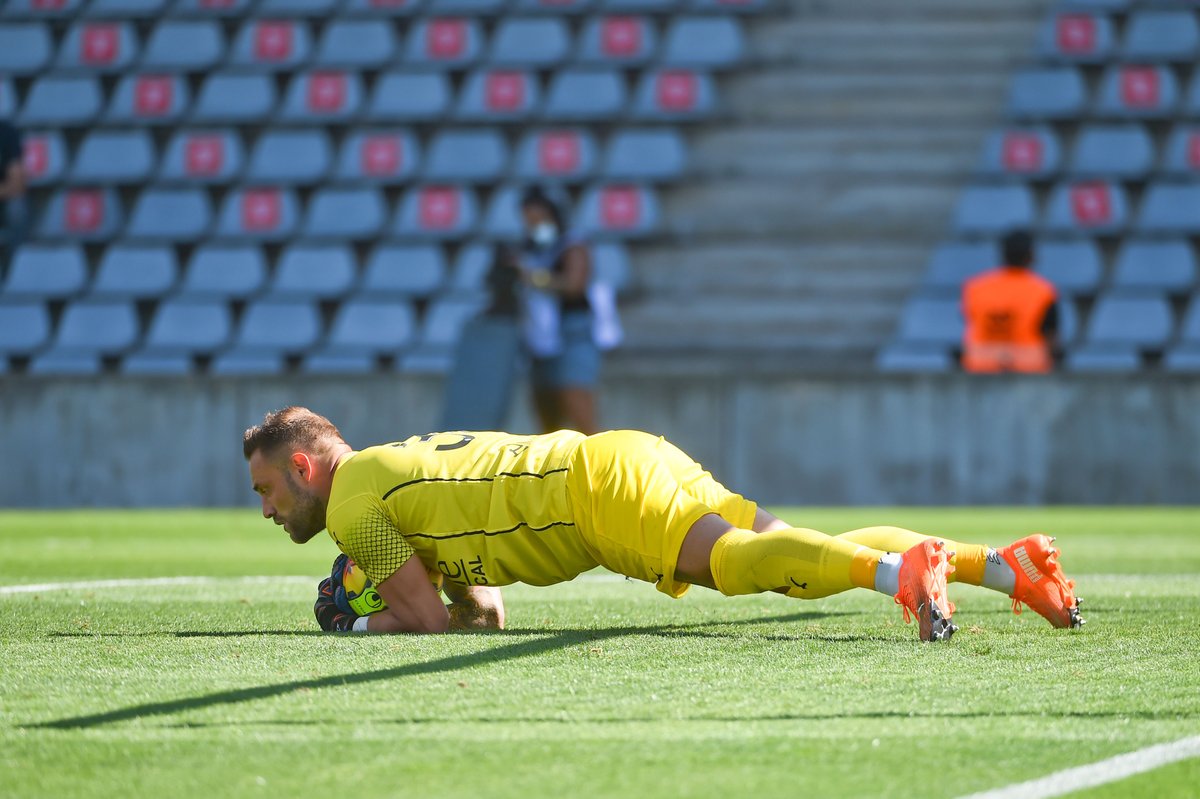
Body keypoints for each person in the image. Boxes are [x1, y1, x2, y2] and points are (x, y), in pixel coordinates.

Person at [242, 407, 1085, 642]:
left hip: (594, 494)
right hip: (619, 454)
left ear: (304, 466)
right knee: (786, 539)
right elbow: (480, 611)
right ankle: (1001, 566)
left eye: (268, 489)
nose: (268, 508)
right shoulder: (386, 471)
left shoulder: (350, 506)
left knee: (740, 565)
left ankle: (897, 577)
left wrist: (358, 622)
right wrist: (428, 592)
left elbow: (425, 622)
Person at [502, 186, 605, 435]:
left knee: (576, 401)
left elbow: (574, 284)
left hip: (572, 333)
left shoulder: (572, 245)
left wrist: (534, 278)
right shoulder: (529, 249)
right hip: (539, 338)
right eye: (528, 221)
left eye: (539, 219)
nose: (533, 226)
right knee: (546, 410)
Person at [962, 230, 1060, 373]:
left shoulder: (975, 287)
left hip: (980, 368)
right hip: (1029, 370)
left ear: (1003, 255)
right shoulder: (1044, 290)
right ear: (1031, 256)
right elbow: (1051, 336)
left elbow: (970, 319)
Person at [0, 119, 28, 256]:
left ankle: (16, 260)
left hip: (4, 201)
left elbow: (17, 186)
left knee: (17, 208)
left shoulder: (6, 132)